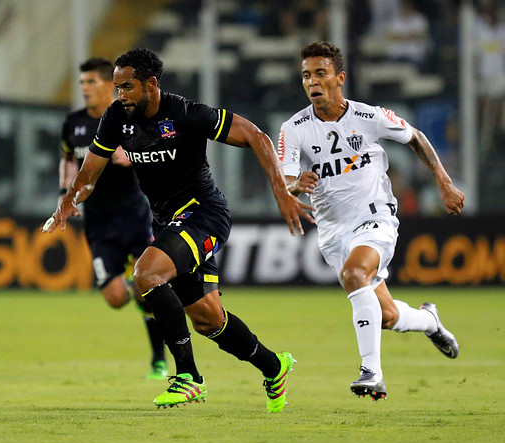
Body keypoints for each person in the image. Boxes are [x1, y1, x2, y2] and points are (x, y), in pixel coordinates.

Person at [44, 48, 314, 412]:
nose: (120, 95)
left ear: (151, 84)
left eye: (127, 87)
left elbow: (257, 136)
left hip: (204, 213)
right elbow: (89, 173)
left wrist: (281, 193)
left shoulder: (185, 113)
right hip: (167, 222)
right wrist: (67, 202)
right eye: (117, 87)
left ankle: (188, 378)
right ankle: (273, 366)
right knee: (207, 319)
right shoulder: (116, 118)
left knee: (147, 273)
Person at [278, 41, 464, 401]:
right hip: (332, 231)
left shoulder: (369, 116)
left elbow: (416, 138)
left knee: (354, 275)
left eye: (320, 73)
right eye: (306, 75)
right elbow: (285, 181)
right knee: (388, 316)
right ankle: (430, 321)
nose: (312, 81)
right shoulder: (294, 128)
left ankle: (371, 373)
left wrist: (444, 182)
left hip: (375, 217)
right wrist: (295, 185)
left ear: (339, 78)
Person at [58, 57, 167, 380]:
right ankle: (142, 296)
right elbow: (67, 156)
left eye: (90, 82)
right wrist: (66, 191)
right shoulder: (73, 123)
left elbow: (159, 152)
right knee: (117, 297)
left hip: (134, 215)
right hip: (99, 223)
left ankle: (159, 360)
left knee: (149, 287)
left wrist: (131, 156)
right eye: (81, 83)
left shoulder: (129, 118)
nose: (84, 89)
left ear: (109, 85)